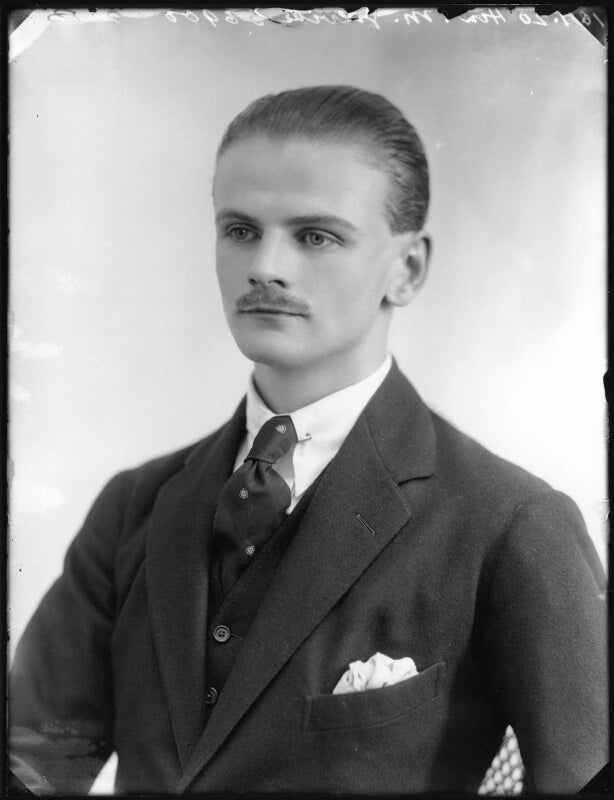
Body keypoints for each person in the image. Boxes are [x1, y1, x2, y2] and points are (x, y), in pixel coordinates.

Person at [9, 85, 607, 795]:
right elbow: (31, 762)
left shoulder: (510, 524)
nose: (265, 265)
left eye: (315, 236)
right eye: (239, 229)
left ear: (407, 269)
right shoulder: (134, 506)